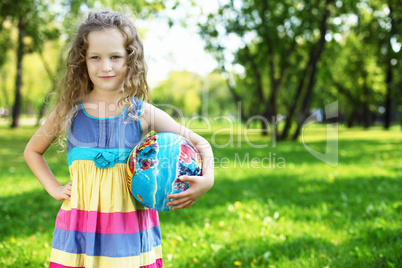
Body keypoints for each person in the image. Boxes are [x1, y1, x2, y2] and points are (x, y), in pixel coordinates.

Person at [24, 10, 214, 268]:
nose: (106, 66)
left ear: (130, 59)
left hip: (129, 232)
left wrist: (207, 180)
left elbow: (200, 143)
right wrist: (55, 188)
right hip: (80, 229)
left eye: (115, 56)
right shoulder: (68, 110)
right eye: (95, 57)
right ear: (83, 61)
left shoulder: (141, 112)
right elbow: (32, 151)